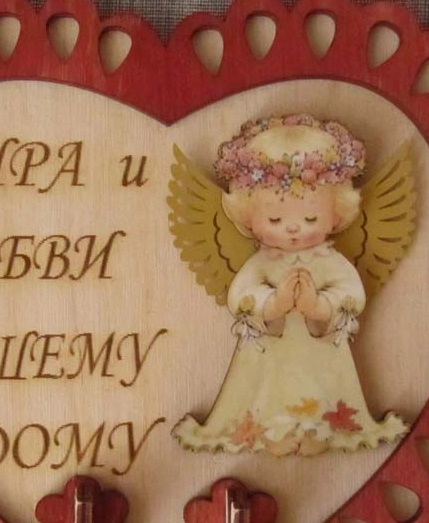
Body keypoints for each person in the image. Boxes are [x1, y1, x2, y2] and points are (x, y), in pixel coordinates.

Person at [173, 114, 407, 457]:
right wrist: (273, 304)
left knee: (322, 384)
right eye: (275, 219)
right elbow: (240, 296)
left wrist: (319, 306)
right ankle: (270, 431)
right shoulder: (262, 263)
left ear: (336, 215)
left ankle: (321, 429)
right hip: (270, 347)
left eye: (310, 218)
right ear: (249, 218)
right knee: (267, 386)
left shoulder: (329, 261)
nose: (293, 229)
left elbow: (351, 294)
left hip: (320, 347)